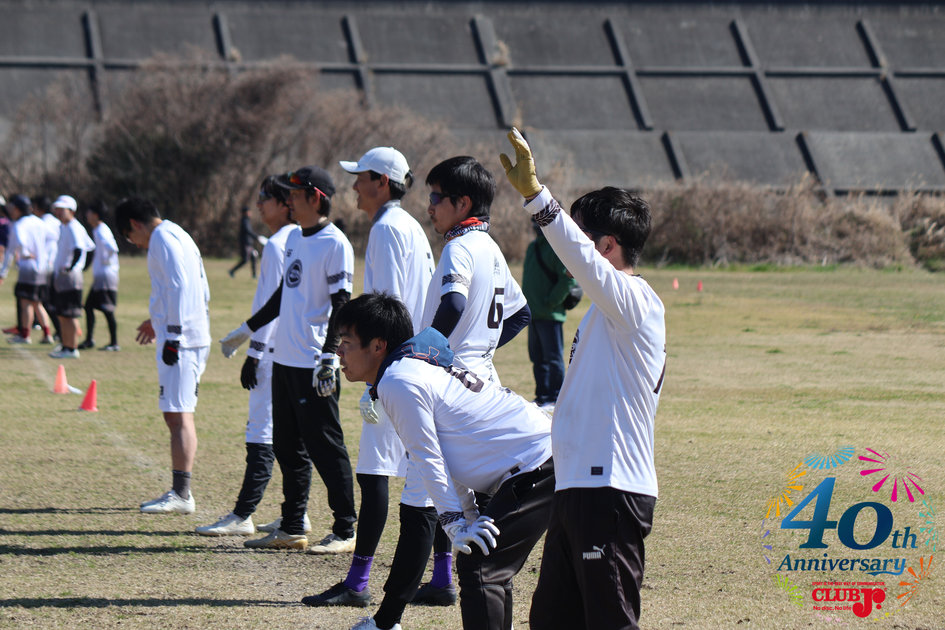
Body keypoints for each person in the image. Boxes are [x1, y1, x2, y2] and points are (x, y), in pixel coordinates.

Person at [500, 128, 666, 630]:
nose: (567, 251)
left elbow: (582, 261)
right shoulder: (601, 313)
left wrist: (538, 199)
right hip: (576, 488)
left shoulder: (637, 302)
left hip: (610, 491)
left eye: (581, 235)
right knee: (550, 621)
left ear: (607, 245)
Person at [335, 293, 555, 630]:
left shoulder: (399, 380)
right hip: (538, 458)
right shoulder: (408, 369)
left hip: (538, 462)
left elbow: (429, 459)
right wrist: (466, 517)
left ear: (378, 346)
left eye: (347, 342)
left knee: (481, 565)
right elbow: (448, 456)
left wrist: (455, 525)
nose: (339, 351)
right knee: (484, 559)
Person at [302, 147, 444, 608]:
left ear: (382, 182)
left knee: (375, 471)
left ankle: (358, 582)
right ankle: (443, 576)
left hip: (394, 365)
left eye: (361, 177)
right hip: (418, 363)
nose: (354, 186)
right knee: (429, 473)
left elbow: (386, 311)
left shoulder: (385, 228)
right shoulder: (410, 225)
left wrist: (374, 381)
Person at [219, 165, 358, 553]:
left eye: (296, 195)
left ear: (316, 198)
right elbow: (283, 294)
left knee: (326, 447)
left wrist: (329, 354)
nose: (290, 201)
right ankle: (293, 526)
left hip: (314, 364)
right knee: (286, 446)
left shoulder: (335, 243)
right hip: (284, 360)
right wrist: (246, 328)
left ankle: (345, 530)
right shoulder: (296, 237)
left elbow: (341, 303)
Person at [196, 176, 303, 536]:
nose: (258, 204)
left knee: (262, 430)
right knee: (291, 435)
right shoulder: (302, 239)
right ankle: (298, 514)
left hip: (272, 351)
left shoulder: (277, 245)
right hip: (295, 351)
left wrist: (254, 353)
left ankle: (242, 515)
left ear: (285, 204)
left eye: (264, 197)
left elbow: (269, 306)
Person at [116, 197, 211, 515]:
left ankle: (182, 494)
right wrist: (158, 321)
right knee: (174, 412)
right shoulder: (177, 233)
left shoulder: (161, 239)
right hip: (186, 334)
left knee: (179, 413)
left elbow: (180, 286)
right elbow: (199, 287)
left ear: (134, 224)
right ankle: (180, 490)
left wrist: (174, 334)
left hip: (182, 340)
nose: (134, 243)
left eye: (129, 236)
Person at [421, 156, 530, 386]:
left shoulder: (458, 246)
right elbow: (521, 314)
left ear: (463, 204)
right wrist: (479, 351)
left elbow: (454, 304)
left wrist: (422, 351)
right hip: (483, 378)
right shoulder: (491, 247)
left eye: (435, 198)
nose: (430, 208)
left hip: (453, 380)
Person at [522, 216, 579, 411]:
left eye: (538, 222)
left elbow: (568, 280)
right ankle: (542, 396)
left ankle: (556, 398)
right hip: (533, 314)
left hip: (550, 315)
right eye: (534, 222)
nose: (535, 226)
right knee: (537, 358)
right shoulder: (532, 248)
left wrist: (551, 302)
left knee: (553, 358)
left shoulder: (557, 249)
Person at [1, 195, 55, 344]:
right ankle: (47, 334)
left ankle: (25, 335)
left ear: (17, 209)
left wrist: (3, 272)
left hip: (28, 268)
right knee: (37, 303)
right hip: (42, 268)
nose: (10, 211)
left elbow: (14, 248)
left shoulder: (19, 225)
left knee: (25, 303)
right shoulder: (39, 222)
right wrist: (45, 254)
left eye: (12, 208)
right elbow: (53, 236)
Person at [49, 195, 95, 359]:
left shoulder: (74, 227)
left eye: (62, 210)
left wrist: (74, 267)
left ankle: (71, 348)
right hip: (63, 276)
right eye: (57, 210)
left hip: (69, 277)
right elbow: (90, 247)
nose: (58, 213)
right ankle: (66, 345)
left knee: (69, 314)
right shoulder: (64, 227)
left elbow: (81, 249)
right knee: (62, 314)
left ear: (72, 211)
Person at [78, 200, 121, 352]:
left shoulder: (102, 230)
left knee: (107, 309)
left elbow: (112, 248)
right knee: (89, 306)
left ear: (96, 215)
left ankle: (114, 343)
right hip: (101, 276)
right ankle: (90, 339)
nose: (86, 215)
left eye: (89, 212)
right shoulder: (98, 230)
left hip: (106, 276)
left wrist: (106, 262)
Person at [34, 195, 62, 343]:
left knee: (46, 302)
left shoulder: (41, 223)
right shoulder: (57, 222)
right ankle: (60, 331)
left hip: (46, 267)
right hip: (56, 266)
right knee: (53, 301)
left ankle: (60, 331)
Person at [228, 206, 258, 278]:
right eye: (249, 212)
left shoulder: (247, 221)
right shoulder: (244, 221)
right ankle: (232, 271)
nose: (250, 213)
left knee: (254, 257)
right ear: (245, 213)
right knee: (245, 260)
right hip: (246, 244)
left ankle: (254, 275)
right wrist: (256, 237)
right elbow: (248, 231)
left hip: (249, 244)